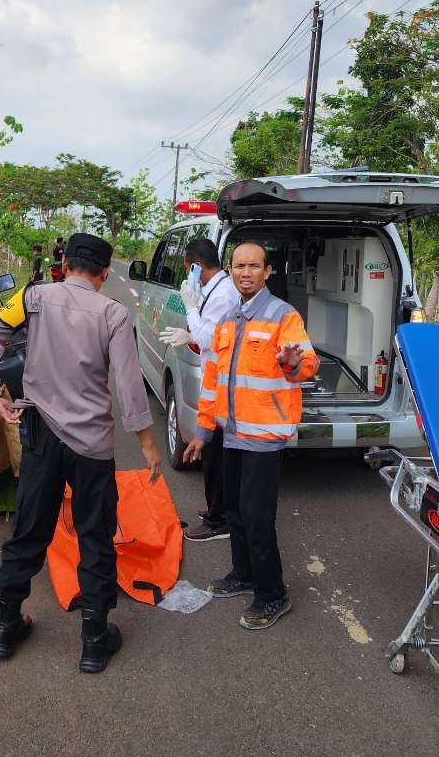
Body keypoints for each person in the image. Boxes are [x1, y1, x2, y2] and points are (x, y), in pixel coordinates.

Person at [0, 232, 163, 673]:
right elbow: (130, 386)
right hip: (91, 444)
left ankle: (5, 627)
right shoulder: (114, 312)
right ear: (104, 272)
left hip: (40, 436)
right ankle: (94, 641)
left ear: (65, 263)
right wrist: (148, 444)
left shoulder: (33, 296)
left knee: (29, 528)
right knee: (95, 534)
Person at [183, 241, 319, 631]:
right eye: (239, 266)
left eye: (254, 266)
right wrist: (203, 432)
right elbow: (213, 381)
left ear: (267, 271)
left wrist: (293, 365)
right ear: (231, 269)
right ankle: (242, 574)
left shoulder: (283, 316)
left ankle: (272, 594)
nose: (246, 273)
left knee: (259, 517)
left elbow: (306, 362)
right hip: (231, 433)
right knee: (235, 510)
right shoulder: (228, 318)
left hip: (263, 435)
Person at [158, 238, 240, 542]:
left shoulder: (223, 294)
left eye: (187, 269)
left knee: (215, 455)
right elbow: (212, 333)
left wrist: (191, 313)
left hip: (221, 384)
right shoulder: (217, 290)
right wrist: (190, 329)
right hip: (214, 379)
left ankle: (220, 519)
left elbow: (208, 339)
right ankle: (217, 509)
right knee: (214, 454)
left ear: (195, 266)